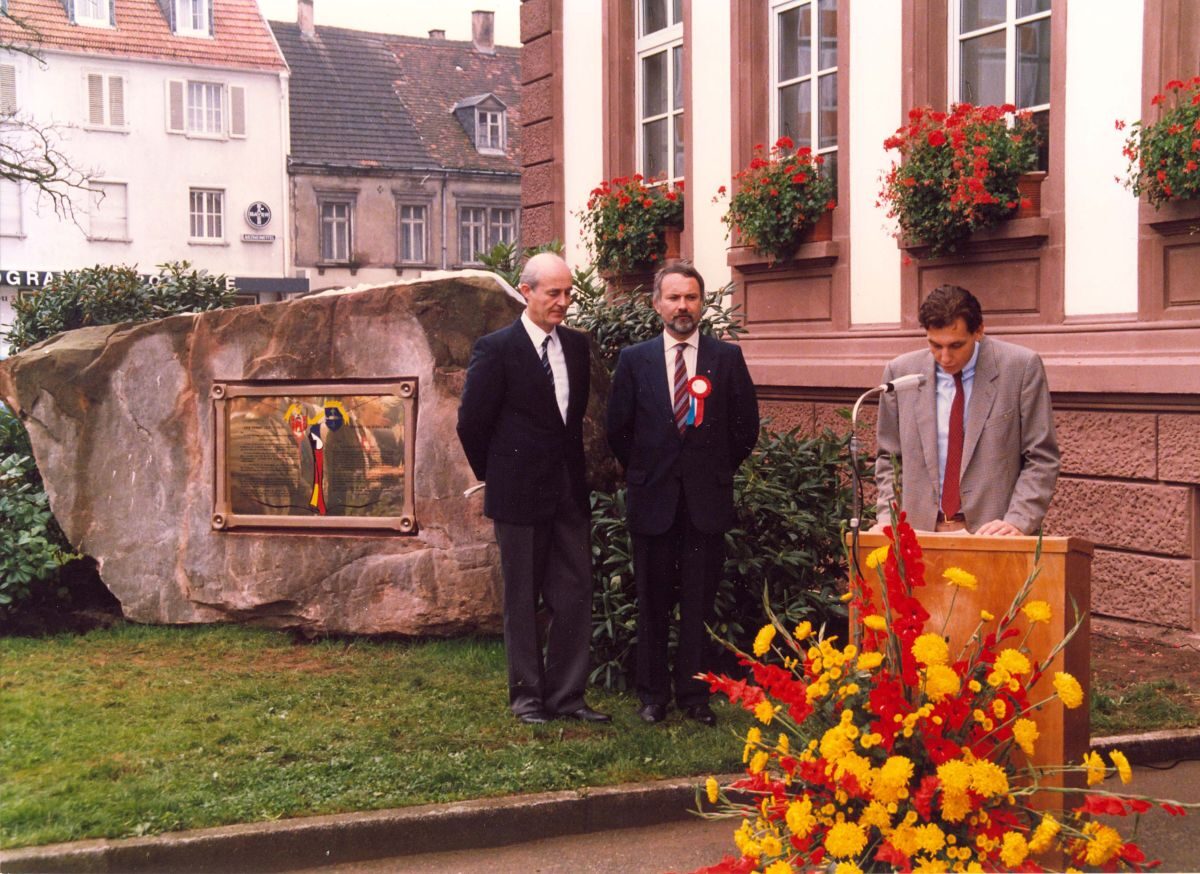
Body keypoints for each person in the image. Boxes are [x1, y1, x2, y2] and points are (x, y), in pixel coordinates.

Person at [456, 252, 609, 725]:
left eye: (569, 293)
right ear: (526, 291)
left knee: (575, 593)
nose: (563, 302)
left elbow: (569, 423)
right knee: (521, 598)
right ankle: (527, 698)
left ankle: (567, 696)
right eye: (553, 293)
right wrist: (500, 473)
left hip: (568, 493)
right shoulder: (496, 349)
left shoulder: (577, 348)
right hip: (518, 494)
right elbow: (471, 425)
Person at [606, 262, 759, 726]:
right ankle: (653, 696)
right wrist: (652, 470)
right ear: (657, 304)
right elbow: (619, 430)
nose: (682, 307)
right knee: (652, 603)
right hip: (652, 502)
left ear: (702, 303)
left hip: (704, 505)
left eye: (691, 298)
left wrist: (708, 470)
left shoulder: (725, 359)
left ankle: (695, 695)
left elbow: (744, 428)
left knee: (697, 603)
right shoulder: (635, 360)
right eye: (673, 298)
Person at [874, 284, 1059, 535]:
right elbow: (889, 458)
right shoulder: (901, 373)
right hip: (917, 534)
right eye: (935, 345)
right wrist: (888, 517)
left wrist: (1018, 520)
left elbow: (1041, 456)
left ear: (979, 331)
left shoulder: (1021, 368)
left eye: (956, 345)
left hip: (994, 536)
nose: (945, 357)